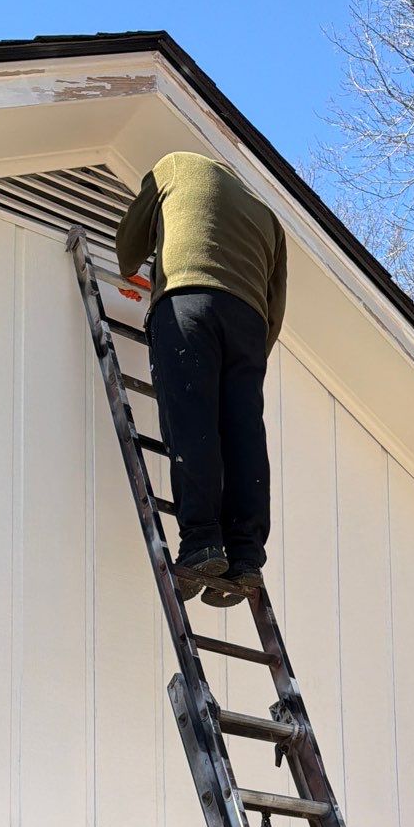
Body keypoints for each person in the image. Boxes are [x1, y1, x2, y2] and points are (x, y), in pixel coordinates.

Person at [116, 152, 287, 606]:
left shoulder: (174, 165)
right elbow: (275, 307)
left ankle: (202, 542)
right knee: (243, 435)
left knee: (192, 421)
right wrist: (245, 362)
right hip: (249, 325)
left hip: (188, 302)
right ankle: (246, 556)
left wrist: (137, 272)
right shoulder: (269, 218)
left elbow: (128, 248)